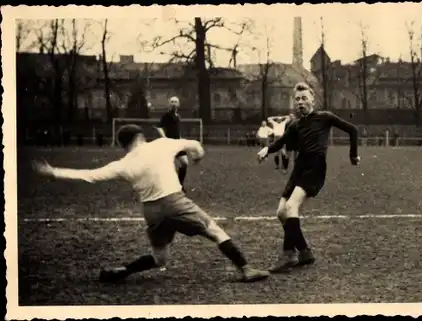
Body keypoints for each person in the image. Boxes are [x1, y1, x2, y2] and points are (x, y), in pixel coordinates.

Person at [32, 124, 271, 284]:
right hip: (175, 202)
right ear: (141, 138)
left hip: (151, 212)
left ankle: (124, 270)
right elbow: (196, 146)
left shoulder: (123, 164)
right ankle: (246, 269)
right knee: (215, 231)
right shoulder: (161, 144)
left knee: (160, 259)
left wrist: (53, 172)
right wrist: (197, 156)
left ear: (123, 144)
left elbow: (90, 175)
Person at [257, 82, 360, 273]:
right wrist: (266, 149)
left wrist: (353, 155)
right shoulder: (295, 124)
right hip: (299, 168)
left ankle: (289, 254)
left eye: (304, 98)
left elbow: (352, 130)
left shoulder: (324, 117)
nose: (300, 102)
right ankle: (304, 252)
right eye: (297, 99)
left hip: (315, 167)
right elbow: (282, 142)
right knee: (281, 213)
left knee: (290, 207)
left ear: (312, 98)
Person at [156, 96, 189, 192]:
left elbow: (177, 130)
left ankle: (179, 185)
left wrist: (181, 137)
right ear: (169, 104)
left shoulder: (178, 116)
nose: (174, 103)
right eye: (172, 102)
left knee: (184, 163)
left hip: (178, 143)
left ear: (178, 104)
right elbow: (159, 127)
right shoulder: (166, 115)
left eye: (175, 102)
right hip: (168, 144)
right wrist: (164, 137)